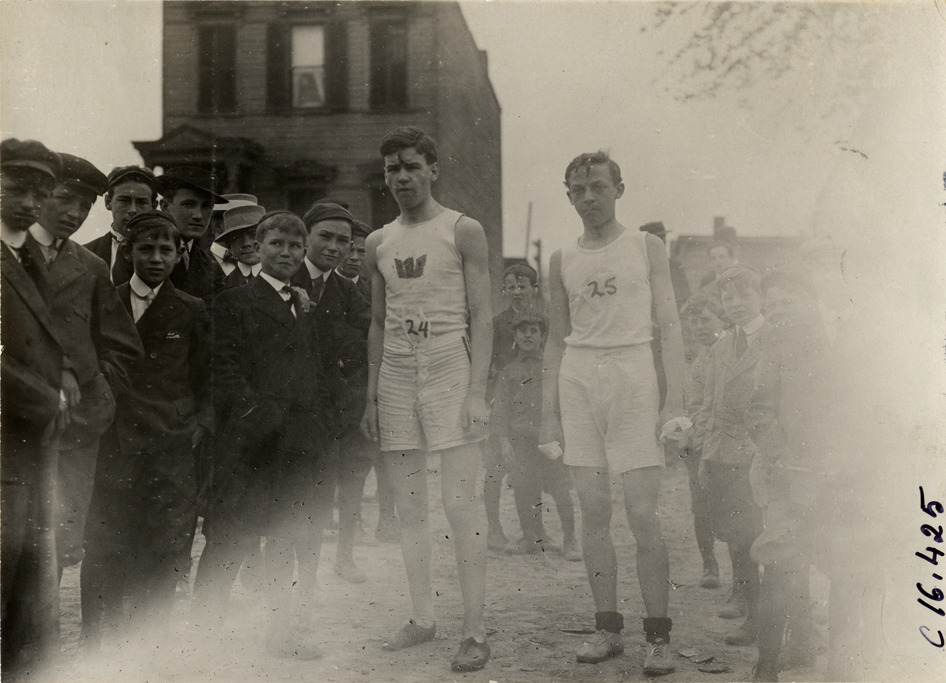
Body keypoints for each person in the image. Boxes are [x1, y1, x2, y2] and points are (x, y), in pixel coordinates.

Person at [540, 151, 684, 675]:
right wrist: (548, 414)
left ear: (618, 189)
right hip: (579, 376)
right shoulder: (561, 258)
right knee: (593, 510)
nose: (588, 198)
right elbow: (555, 339)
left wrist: (675, 400)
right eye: (578, 190)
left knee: (643, 513)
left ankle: (659, 637)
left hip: (633, 370)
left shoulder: (645, 246)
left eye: (598, 187)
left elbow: (669, 325)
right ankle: (607, 629)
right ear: (569, 196)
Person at [360, 127, 493, 673]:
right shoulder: (378, 241)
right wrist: (371, 397)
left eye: (411, 166)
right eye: (392, 168)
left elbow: (482, 316)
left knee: (461, 505)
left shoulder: (462, 230)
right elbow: (377, 321)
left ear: (433, 169)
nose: (402, 177)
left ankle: (475, 630)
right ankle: (422, 617)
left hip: (448, 367)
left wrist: (477, 392)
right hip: (396, 371)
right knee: (409, 507)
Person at [192, 211, 328, 659]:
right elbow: (224, 371)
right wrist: (261, 416)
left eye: (294, 246)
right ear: (258, 246)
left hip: (296, 446)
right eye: (276, 244)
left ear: (303, 251)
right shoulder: (234, 301)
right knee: (229, 540)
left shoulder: (303, 303)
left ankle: (280, 634)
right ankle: (202, 642)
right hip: (248, 445)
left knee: (284, 540)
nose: (285, 253)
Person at [80, 211, 210, 649]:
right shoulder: (108, 301)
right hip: (115, 442)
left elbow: (205, 376)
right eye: (146, 249)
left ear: (178, 255)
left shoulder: (191, 309)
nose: (156, 258)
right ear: (129, 252)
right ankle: (94, 640)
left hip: (169, 443)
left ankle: (152, 643)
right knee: (105, 541)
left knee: (165, 543)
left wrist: (198, 423)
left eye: (165, 250)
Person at [31, 153, 143, 577]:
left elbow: (123, 347)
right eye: (65, 199)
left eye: (85, 205)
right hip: (13, 428)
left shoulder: (91, 267)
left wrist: (97, 392)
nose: (75, 213)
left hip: (74, 433)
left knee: (58, 546)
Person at [1, 138, 67, 677]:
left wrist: (61, 380)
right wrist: (46, 396)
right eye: (17, 189)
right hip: (6, 437)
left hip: (31, 442)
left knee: (28, 570)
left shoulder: (28, 258)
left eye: (40, 193)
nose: (29, 202)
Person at [746, 269, 827, 681]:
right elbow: (759, 411)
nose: (779, 311)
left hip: (836, 474)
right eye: (772, 304)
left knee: (844, 563)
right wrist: (781, 454)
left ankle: (819, 649)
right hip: (789, 474)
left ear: (809, 302)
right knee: (779, 563)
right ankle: (767, 663)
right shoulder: (774, 347)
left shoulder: (836, 342)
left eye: (788, 302)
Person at [290, 201, 372, 589]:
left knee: (340, 483)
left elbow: (364, 340)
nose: (334, 247)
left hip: (333, 408)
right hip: (288, 408)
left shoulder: (347, 292)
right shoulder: (283, 279)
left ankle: (338, 560)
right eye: (325, 237)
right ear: (306, 236)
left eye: (344, 241)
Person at [695, 264, 770, 647]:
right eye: (728, 297)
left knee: (763, 540)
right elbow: (709, 403)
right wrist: (706, 453)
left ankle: (769, 621)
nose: (736, 303)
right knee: (737, 541)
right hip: (724, 457)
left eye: (744, 294)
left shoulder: (774, 339)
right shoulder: (722, 345)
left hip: (760, 457)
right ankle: (750, 610)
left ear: (761, 297)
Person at [490, 312, 579, 560]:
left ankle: (570, 539)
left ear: (542, 336)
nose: (528, 336)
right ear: (515, 336)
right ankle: (531, 537)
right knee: (523, 489)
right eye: (522, 331)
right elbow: (501, 409)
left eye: (533, 331)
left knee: (561, 490)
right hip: (521, 441)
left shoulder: (554, 367)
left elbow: (565, 401)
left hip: (550, 439)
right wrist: (504, 441)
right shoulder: (509, 371)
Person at [484, 263, 545, 550]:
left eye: (523, 286)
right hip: (502, 399)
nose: (517, 291)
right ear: (504, 290)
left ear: (534, 289)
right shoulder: (497, 323)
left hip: (532, 405)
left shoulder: (544, 321)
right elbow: (487, 362)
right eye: (511, 287)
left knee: (532, 470)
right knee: (495, 467)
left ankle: (534, 530)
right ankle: (494, 529)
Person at [679, 292, 726, 590]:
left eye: (706, 320)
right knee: (701, 506)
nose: (699, 327)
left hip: (730, 441)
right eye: (693, 321)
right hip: (701, 442)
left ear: (721, 319)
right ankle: (709, 564)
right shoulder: (696, 362)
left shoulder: (732, 353)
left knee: (735, 509)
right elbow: (693, 406)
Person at [156, 166, 228, 302]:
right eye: (188, 204)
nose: (198, 216)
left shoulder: (211, 267)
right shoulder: (142, 253)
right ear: (165, 206)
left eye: (206, 206)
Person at [83, 165, 157, 284]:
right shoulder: (85, 254)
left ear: (153, 206)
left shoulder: (168, 254)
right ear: (108, 202)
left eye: (141, 202)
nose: (133, 210)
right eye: (124, 200)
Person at [214, 203, 265, 289]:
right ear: (228, 246)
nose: (246, 243)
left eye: (253, 234)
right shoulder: (221, 287)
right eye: (237, 237)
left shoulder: (284, 279)